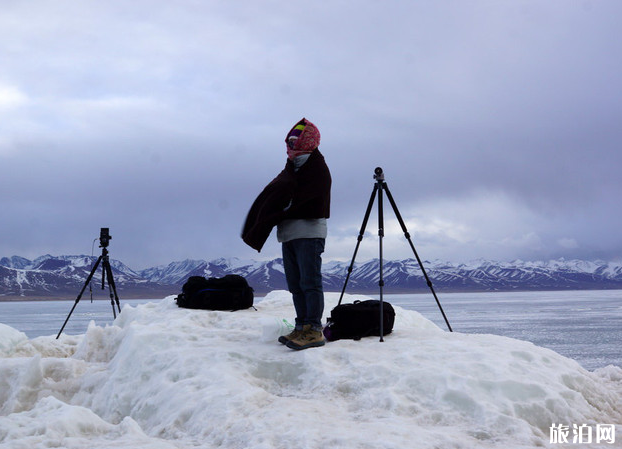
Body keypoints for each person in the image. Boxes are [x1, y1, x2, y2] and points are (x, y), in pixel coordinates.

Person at [242, 118, 331, 350]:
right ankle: (302, 326)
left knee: (310, 282)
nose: (290, 146)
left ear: (307, 141)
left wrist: (281, 212)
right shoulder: (292, 166)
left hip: (309, 233)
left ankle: (314, 329)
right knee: (296, 283)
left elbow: (311, 201)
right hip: (290, 233)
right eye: (289, 141)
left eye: (295, 141)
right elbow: (279, 192)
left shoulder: (317, 167)